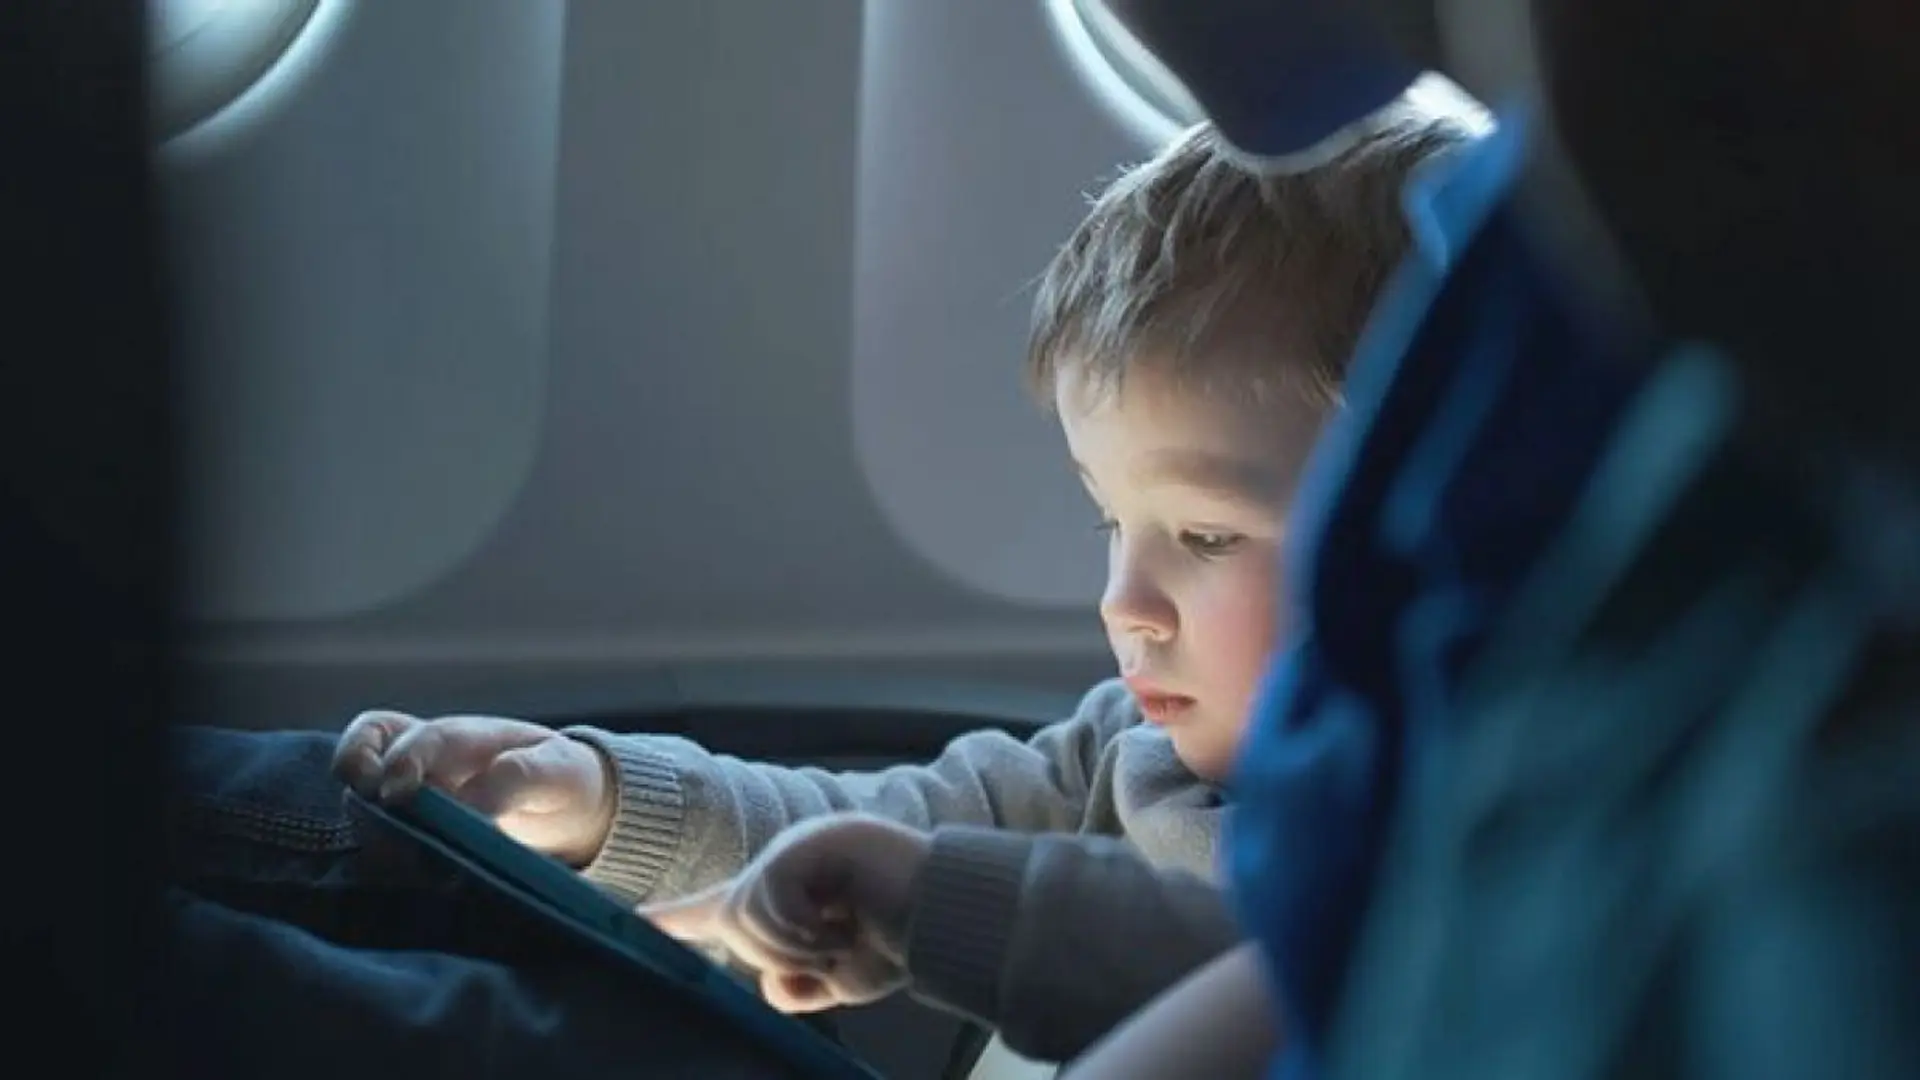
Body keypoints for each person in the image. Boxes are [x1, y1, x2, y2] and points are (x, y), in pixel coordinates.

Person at [324, 113, 1474, 1064]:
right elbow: (874, 831)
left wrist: (943, 908)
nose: (1125, 602)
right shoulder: (1125, 752)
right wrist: (604, 801)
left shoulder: (1462, 841)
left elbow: (1288, 966)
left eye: (1208, 537)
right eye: (1109, 522)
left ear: (1440, 535)